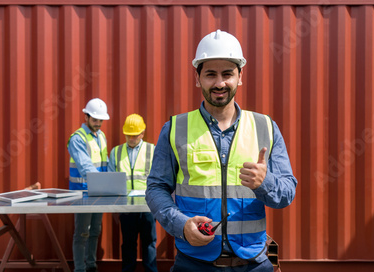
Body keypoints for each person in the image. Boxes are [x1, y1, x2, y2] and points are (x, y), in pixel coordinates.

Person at [145, 30, 297, 271]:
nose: (219, 83)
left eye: (227, 74)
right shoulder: (175, 129)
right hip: (193, 263)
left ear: (240, 76)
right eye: (210, 75)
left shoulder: (265, 127)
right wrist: (181, 225)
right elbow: (156, 188)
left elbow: (287, 193)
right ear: (197, 78)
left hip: (253, 263)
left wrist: (264, 183)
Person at [108, 114, 158, 272]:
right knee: (128, 242)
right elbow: (110, 178)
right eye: (128, 135)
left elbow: (159, 178)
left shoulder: (152, 150)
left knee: (149, 242)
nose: (131, 138)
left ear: (142, 133)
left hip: (148, 206)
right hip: (126, 207)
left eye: (134, 135)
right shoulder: (116, 152)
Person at [67, 98, 110, 272]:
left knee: (95, 231)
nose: (98, 123)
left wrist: (109, 184)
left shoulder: (101, 136)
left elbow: (104, 163)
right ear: (86, 117)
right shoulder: (77, 139)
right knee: (82, 233)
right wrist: (104, 184)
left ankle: (91, 266)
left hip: (98, 192)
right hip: (83, 193)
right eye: (95, 120)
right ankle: (79, 269)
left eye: (101, 120)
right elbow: (86, 167)